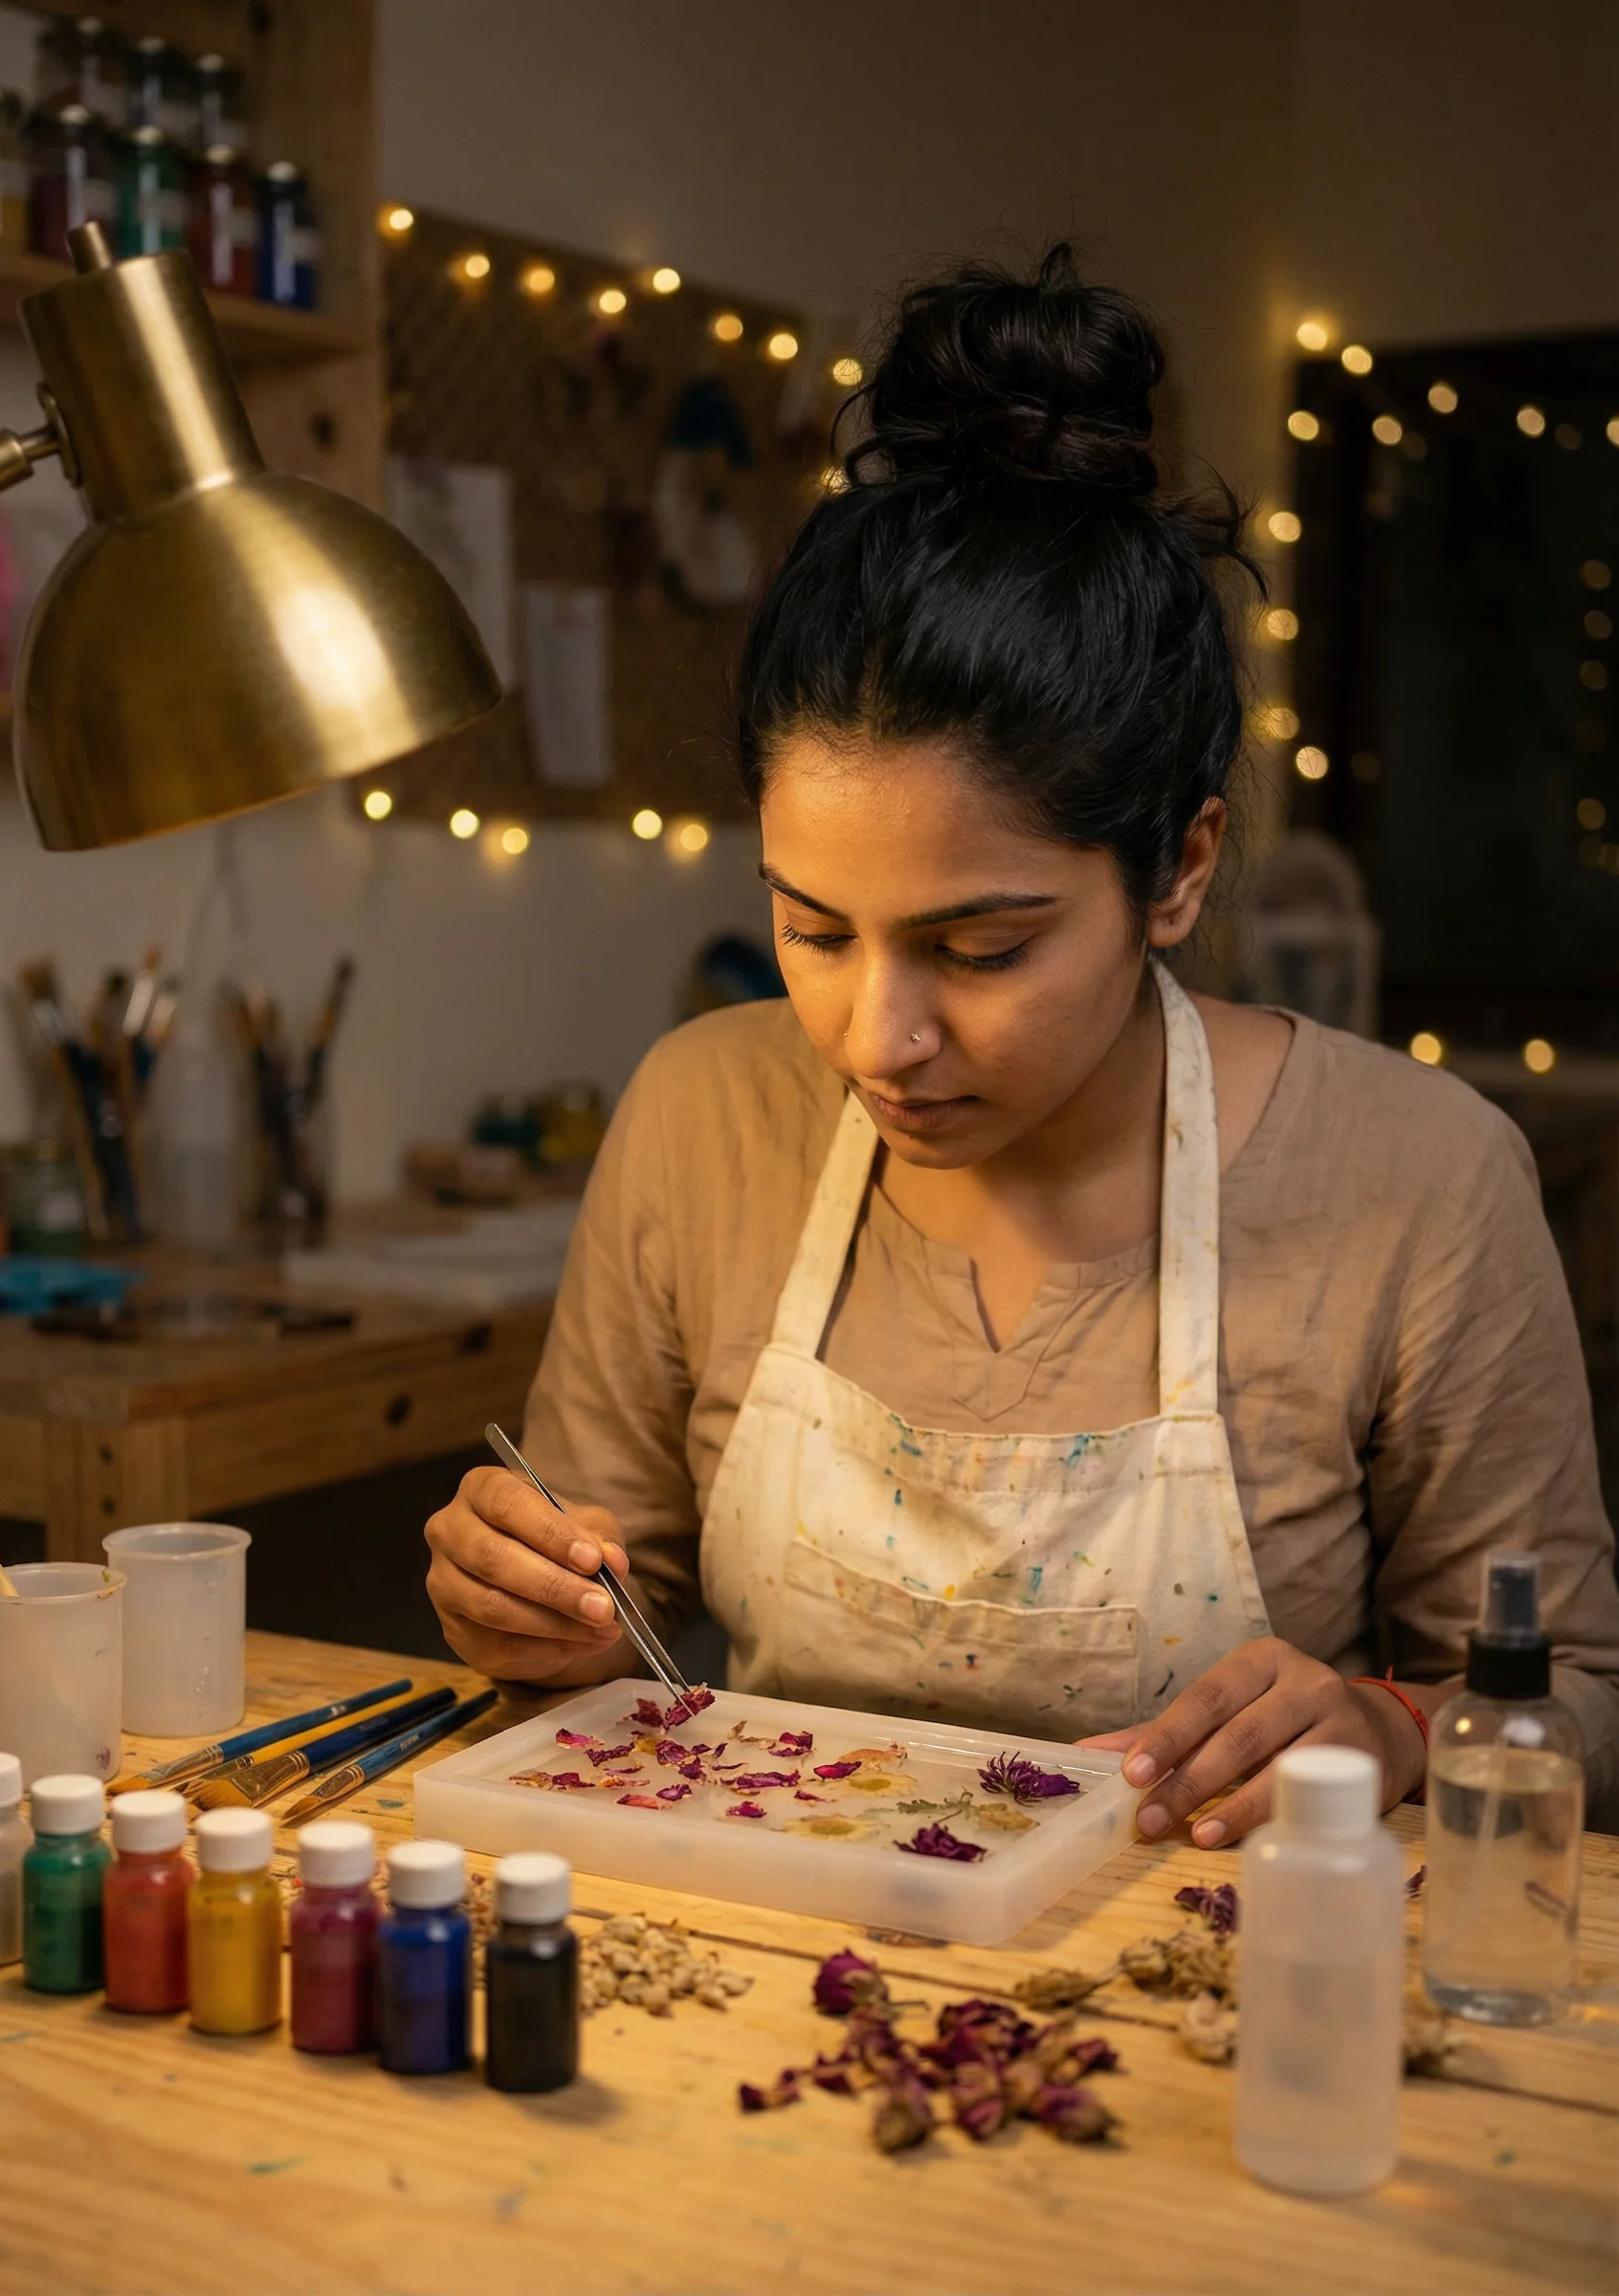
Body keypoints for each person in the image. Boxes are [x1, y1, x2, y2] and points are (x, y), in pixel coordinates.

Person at [427, 248, 1619, 1838]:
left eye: (980, 949)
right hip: (772, 1980)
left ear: (1178, 870)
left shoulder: (1417, 1183)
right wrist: (520, 1600)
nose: (879, 1034)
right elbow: (589, 1624)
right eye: (813, 927)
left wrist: (1392, 1725)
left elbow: (1578, 1713)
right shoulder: (701, 1116)